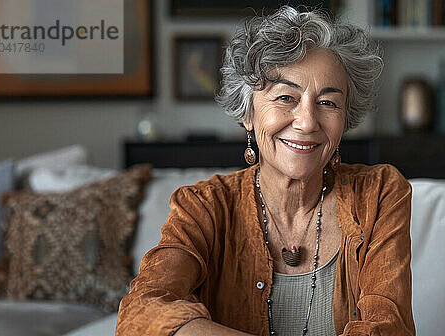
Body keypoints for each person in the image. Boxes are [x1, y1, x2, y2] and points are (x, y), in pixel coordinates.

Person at [116, 6, 414, 336]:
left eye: (328, 103)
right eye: (286, 97)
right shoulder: (203, 206)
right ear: (248, 113)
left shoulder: (379, 194)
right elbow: (141, 313)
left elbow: (389, 327)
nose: (307, 122)